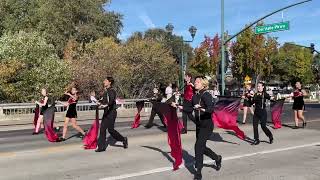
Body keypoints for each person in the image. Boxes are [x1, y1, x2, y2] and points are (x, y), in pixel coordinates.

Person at [173, 76, 222, 180]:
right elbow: (189, 108)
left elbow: (211, 109)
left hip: (207, 125)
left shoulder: (206, 95)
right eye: (195, 81)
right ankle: (217, 158)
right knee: (202, 147)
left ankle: (198, 172)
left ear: (203, 84)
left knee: (198, 146)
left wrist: (201, 108)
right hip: (199, 125)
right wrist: (178, 105)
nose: (195, 83)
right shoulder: (195, 96)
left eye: (198, 82)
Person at [96, 77, 128, 152]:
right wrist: (99, 103)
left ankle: (123, 139)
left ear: (109, 82)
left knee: (111, 130)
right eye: (104, 80)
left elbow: (111, 100)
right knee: (102, 129)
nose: (104, 81)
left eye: (106, 80)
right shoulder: (105, 91)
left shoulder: (112, 91)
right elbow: (104, 101)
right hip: (106, 113)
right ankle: (101, 147)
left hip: (111, 113)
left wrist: (106, 105)